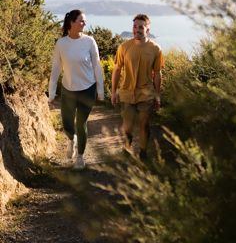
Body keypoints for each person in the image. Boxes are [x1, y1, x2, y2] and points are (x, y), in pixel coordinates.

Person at [48, 9, 104, 169]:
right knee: (67, 124)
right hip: (68, 89)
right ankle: (71, 139)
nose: (84, 23)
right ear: (71, 23)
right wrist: (51, 93)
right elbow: (56, 69)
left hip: (88, 88)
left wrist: (100, 91)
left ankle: (80, 157)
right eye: (81, 20)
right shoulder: (61, 44)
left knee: (81, 123)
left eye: (84, 21)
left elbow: (97, 66)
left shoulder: (89, 41)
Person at [111, 14, 164, 160]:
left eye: (141, 27)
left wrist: (157, 96)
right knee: (127, 126)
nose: (137, 30)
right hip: (127, 93)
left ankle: (143, 152)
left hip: (146, 94)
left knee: (144, 125)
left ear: (147, 29)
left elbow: (158, 74)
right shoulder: (124, 47)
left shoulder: (155, 49)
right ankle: (127, 146)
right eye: (135, 26)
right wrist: (113, 91)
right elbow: (116, 70)